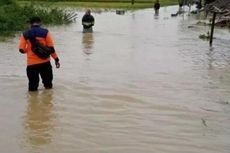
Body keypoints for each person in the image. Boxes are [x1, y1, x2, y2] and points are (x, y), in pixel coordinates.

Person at [19, 17, 60, 91]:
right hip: (45, 62)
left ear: (30, 24)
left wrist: (28, 49)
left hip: (31, 64)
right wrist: (56, 59)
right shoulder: (45, 32)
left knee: (32, 87)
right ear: (40, 23)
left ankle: (33, 101)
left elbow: (21, 49)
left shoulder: (24, 34)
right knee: (48, 86)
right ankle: (48, 102)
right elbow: (51, 48)